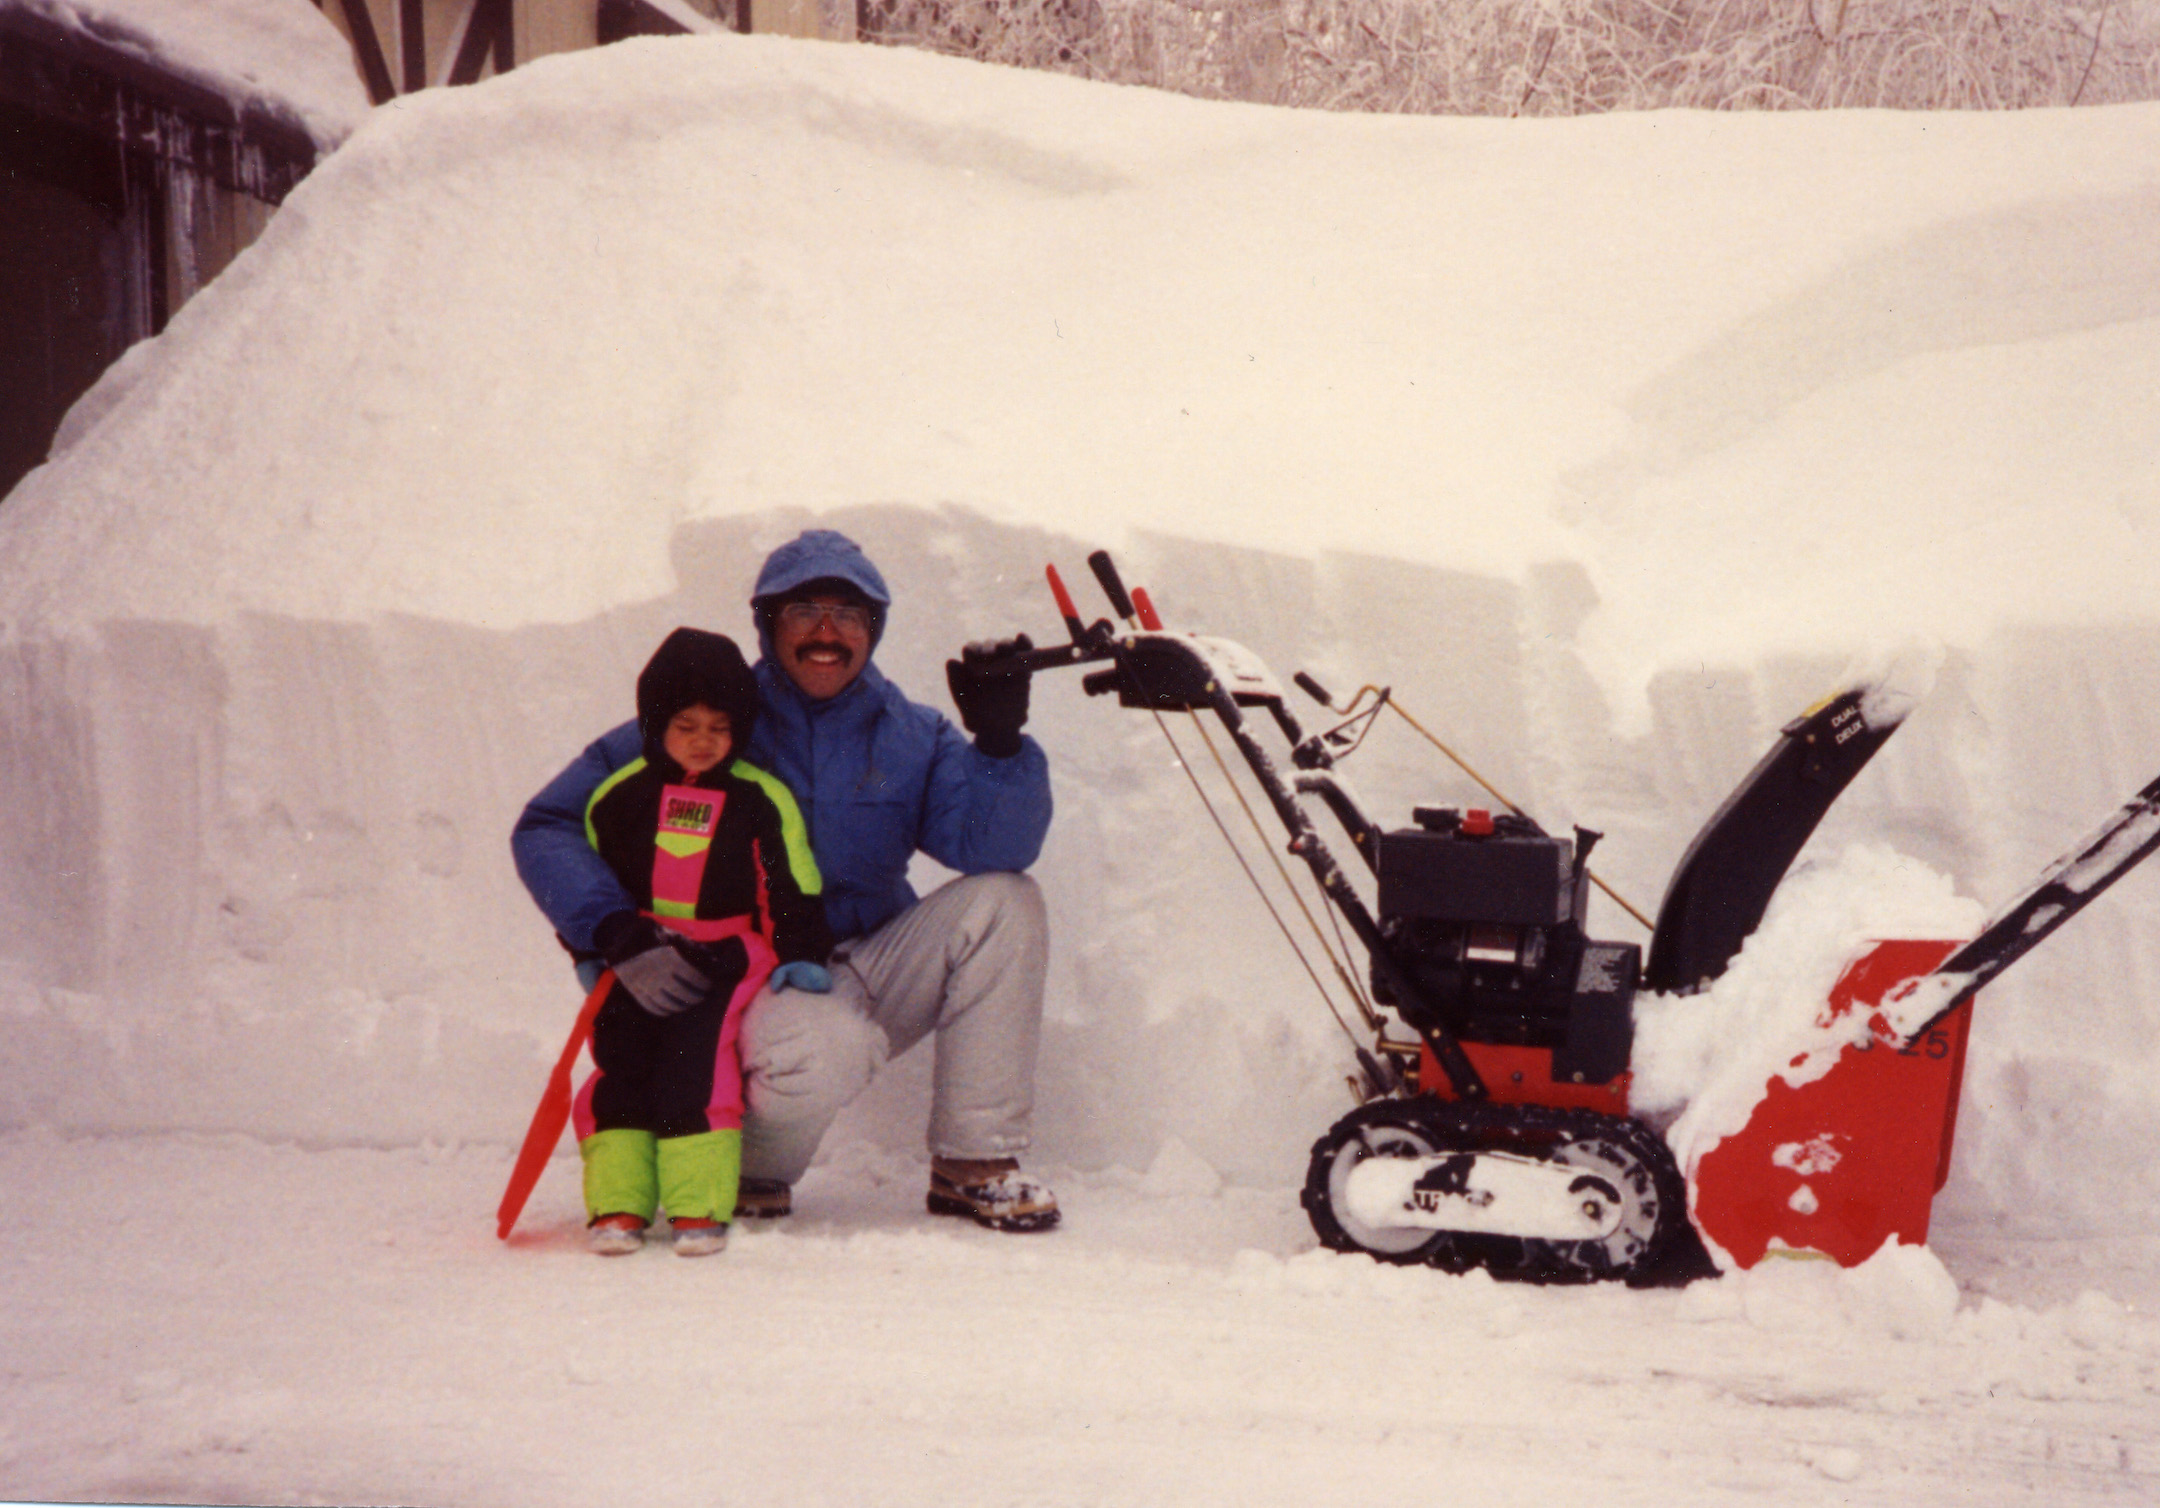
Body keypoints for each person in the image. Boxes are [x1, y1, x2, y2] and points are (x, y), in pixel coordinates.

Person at [514, 529, 1058, 1232]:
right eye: (804, 611)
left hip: (872, 958)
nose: (827, 632)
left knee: (1008, 902)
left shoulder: (912, 733)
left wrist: (1000, 746)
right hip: (758, 977)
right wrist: (614, 931)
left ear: (875, 631)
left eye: (850, 615)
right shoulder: (710, 717)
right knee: (822, 1048)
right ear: (769, 625)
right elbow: (549, 823)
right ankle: (752, 1168)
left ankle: (974, 1165)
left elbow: (995, 848)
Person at [562, 626, 834, 1257]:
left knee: (697, 1068)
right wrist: (588, 953)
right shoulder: (619, 797)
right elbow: (591, 885)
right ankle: (618, 1205)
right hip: (639, 955)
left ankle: (697, 1207)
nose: (703, 740)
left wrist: (798, 952)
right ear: (657, 724)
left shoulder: (760, 798)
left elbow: (789, 881)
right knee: (621, 1067)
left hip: (723, 956)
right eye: (686, 725)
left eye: (719, 726)